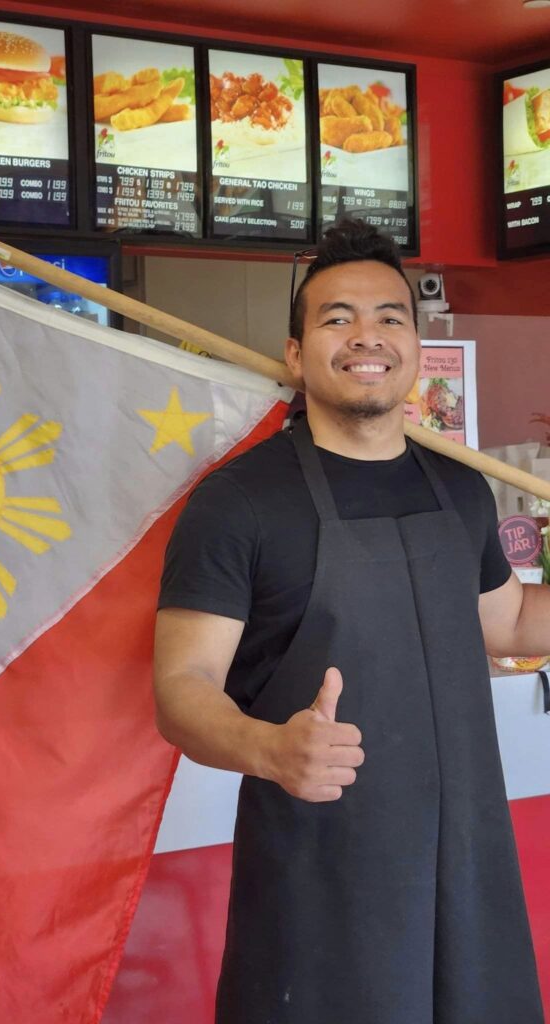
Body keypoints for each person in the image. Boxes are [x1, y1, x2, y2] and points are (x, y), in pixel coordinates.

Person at [153, 218, 547, 1024]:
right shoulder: (239, 503)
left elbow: (508, 623)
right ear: (296, 354)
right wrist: (267, 746)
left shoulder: (459, 488)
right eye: (336, 317)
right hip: (322, 890)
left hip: (469, 871)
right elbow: (180, 687)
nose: (366, 335)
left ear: (414, 344)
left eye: (389, 316)